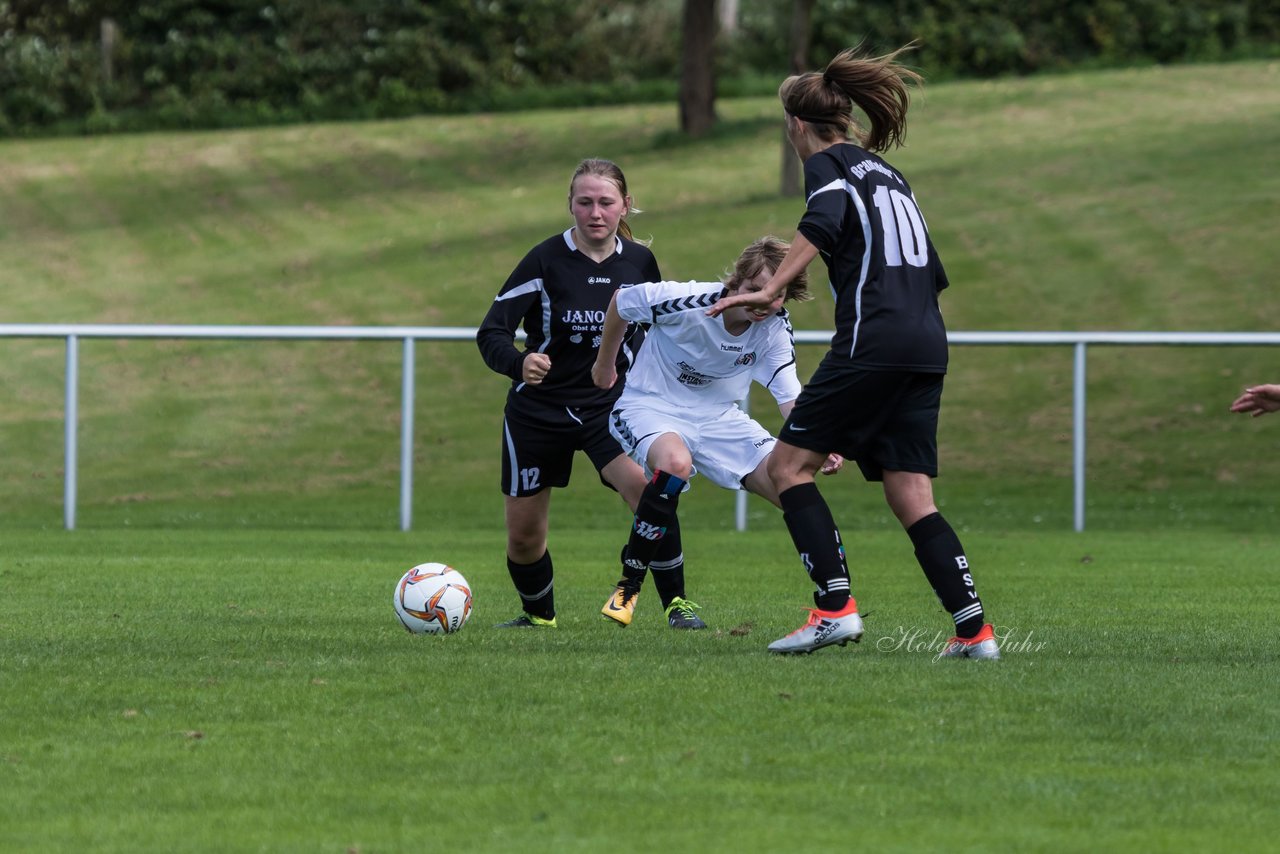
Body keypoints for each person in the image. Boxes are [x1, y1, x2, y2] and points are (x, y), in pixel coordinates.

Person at [707, 44, 1001, 659]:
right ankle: (975, 633)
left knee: (787, 469)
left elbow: (826, 219)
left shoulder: (829, 167)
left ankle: (833, 609)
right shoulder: (889, 175)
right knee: (911, 493)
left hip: (875, 340)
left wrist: (773, 285)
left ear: (795, 125)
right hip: (927, 344)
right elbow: (932, 270)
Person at [477, 158, 692, 629]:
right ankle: (538, 616)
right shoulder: (544, 260)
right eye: (585, 202)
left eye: (606, 202)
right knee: (524, 536)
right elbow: (491, 333)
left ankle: (677, 606)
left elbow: (660, 330)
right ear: (571, 205)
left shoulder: (639, 263)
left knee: (649, 492)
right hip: (539, 412)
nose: (596, 212)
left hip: (610, 410)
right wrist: (520, 361)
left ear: (625, 205)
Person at [591, 237, 843, 629]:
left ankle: (836, 606)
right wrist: (605, 364)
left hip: (720, 419)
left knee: (793, 486)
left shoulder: (774, 330)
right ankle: (630, 585)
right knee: (675, 464)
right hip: (650, 406)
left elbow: (789, 396)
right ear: (734, 283)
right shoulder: (686, 301)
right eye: (753, 290)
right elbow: (621, 301)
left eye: (775, 295)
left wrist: (817, 442)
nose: (762, 302)